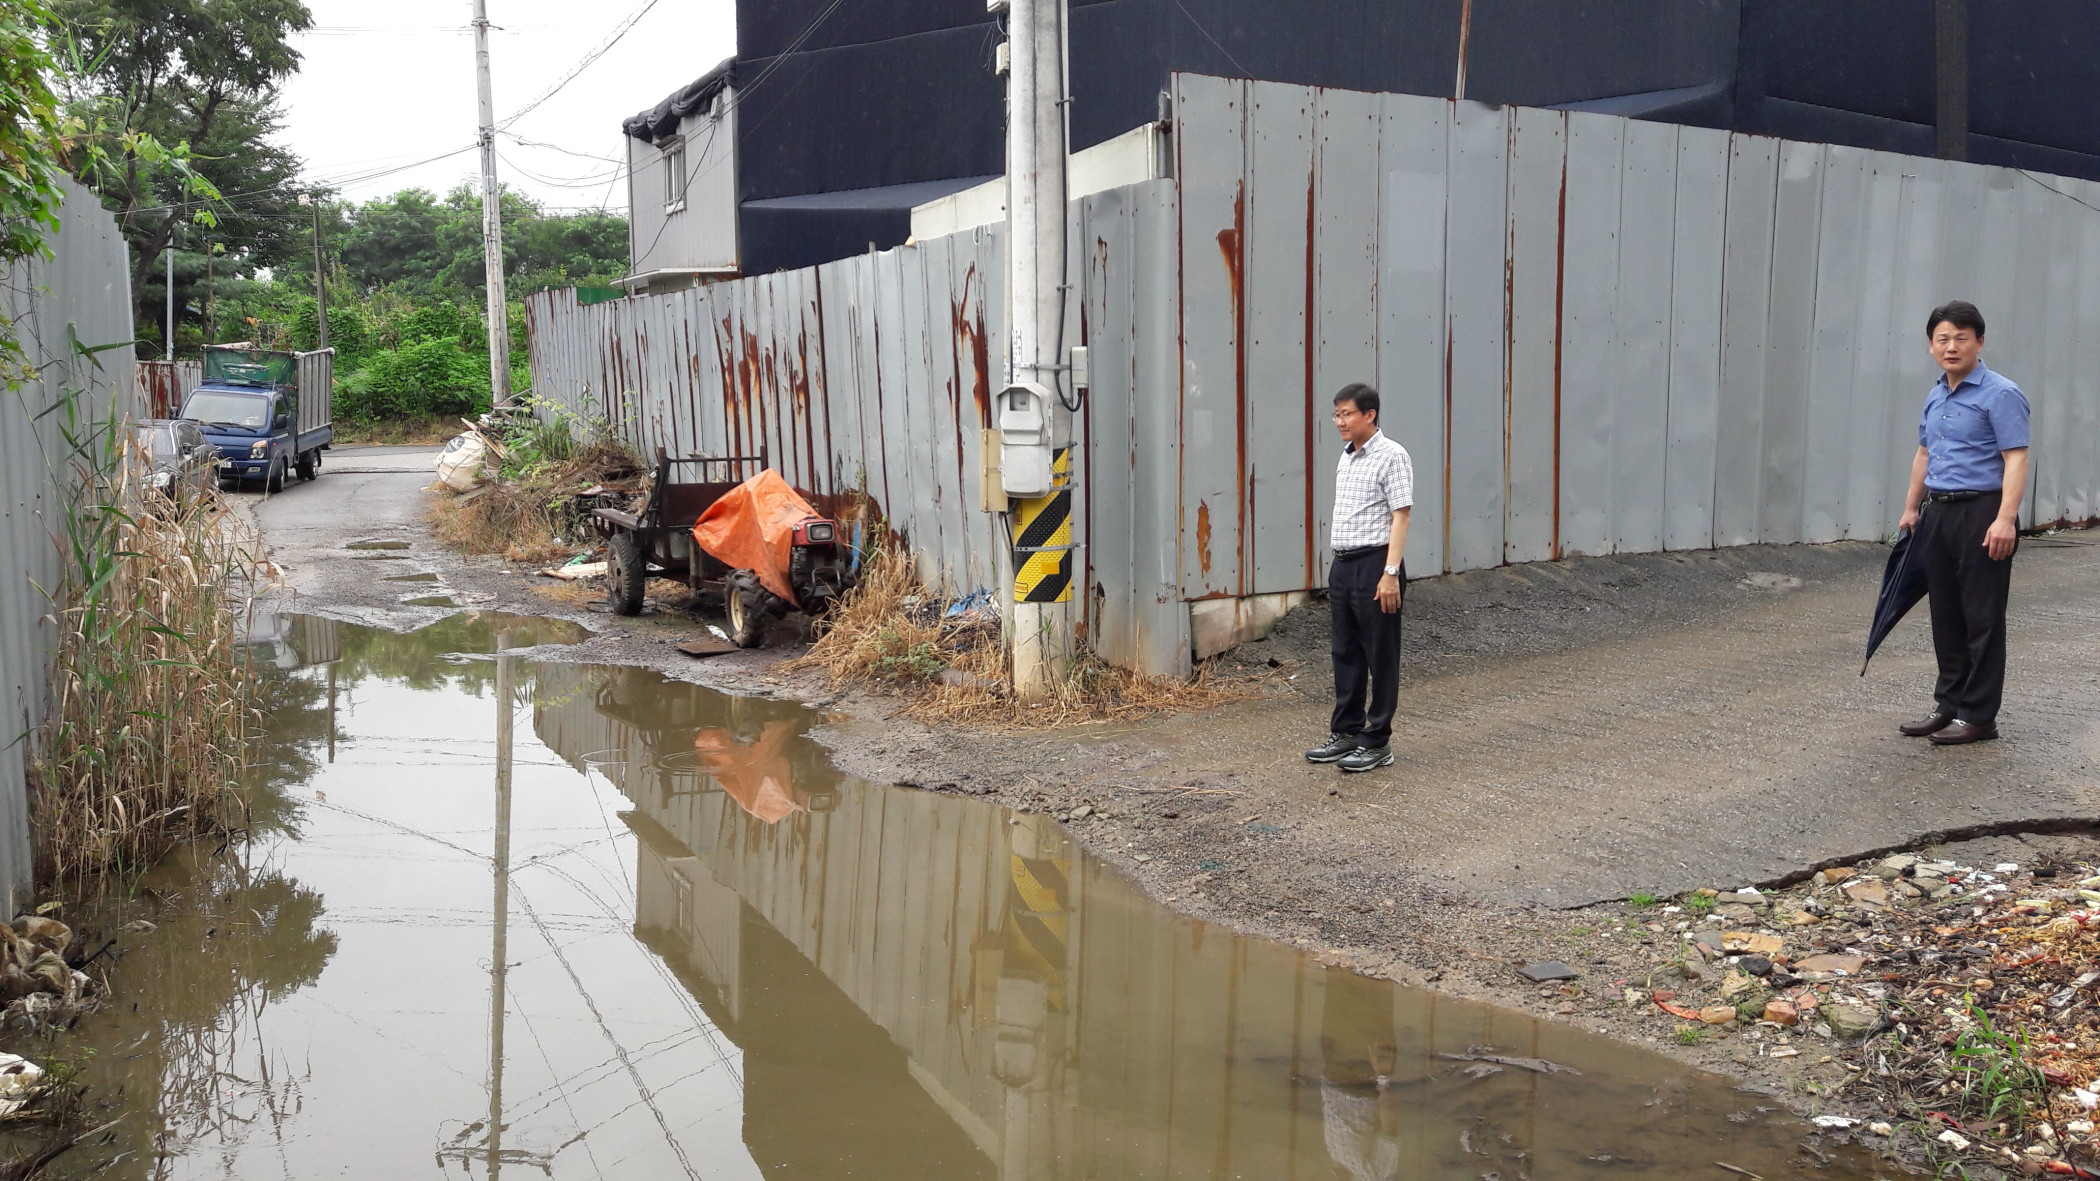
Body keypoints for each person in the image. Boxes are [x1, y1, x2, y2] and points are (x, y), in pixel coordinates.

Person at [1896, 300, 2029, 746]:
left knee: (1982, 617)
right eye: (1942, 339)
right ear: (1931, 346)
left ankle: (1979, 716)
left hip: (1982, 513)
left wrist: (2005, 519)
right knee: (1946, 615)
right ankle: (1949, 705)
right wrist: (1912, 508)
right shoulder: (1935, 394)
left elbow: (2016, 460)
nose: (1951, 347)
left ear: (1980, 342)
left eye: (1961, 338)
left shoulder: (2001, 393)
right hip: (1938, 513)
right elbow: (1923, 454)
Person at [1305, 383, 1413, 773]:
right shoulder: (1347, 457)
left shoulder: (1392, 456)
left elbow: (1401, 515)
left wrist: (1390, 573)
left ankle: (1377, 740)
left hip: (1375, 565)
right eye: (1336, 414)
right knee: (1345, 651)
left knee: (1380, 655)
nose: (1339, 421)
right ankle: (1347, 731)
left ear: (1369, 414)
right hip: (1344, 566)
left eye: (1346, 413)